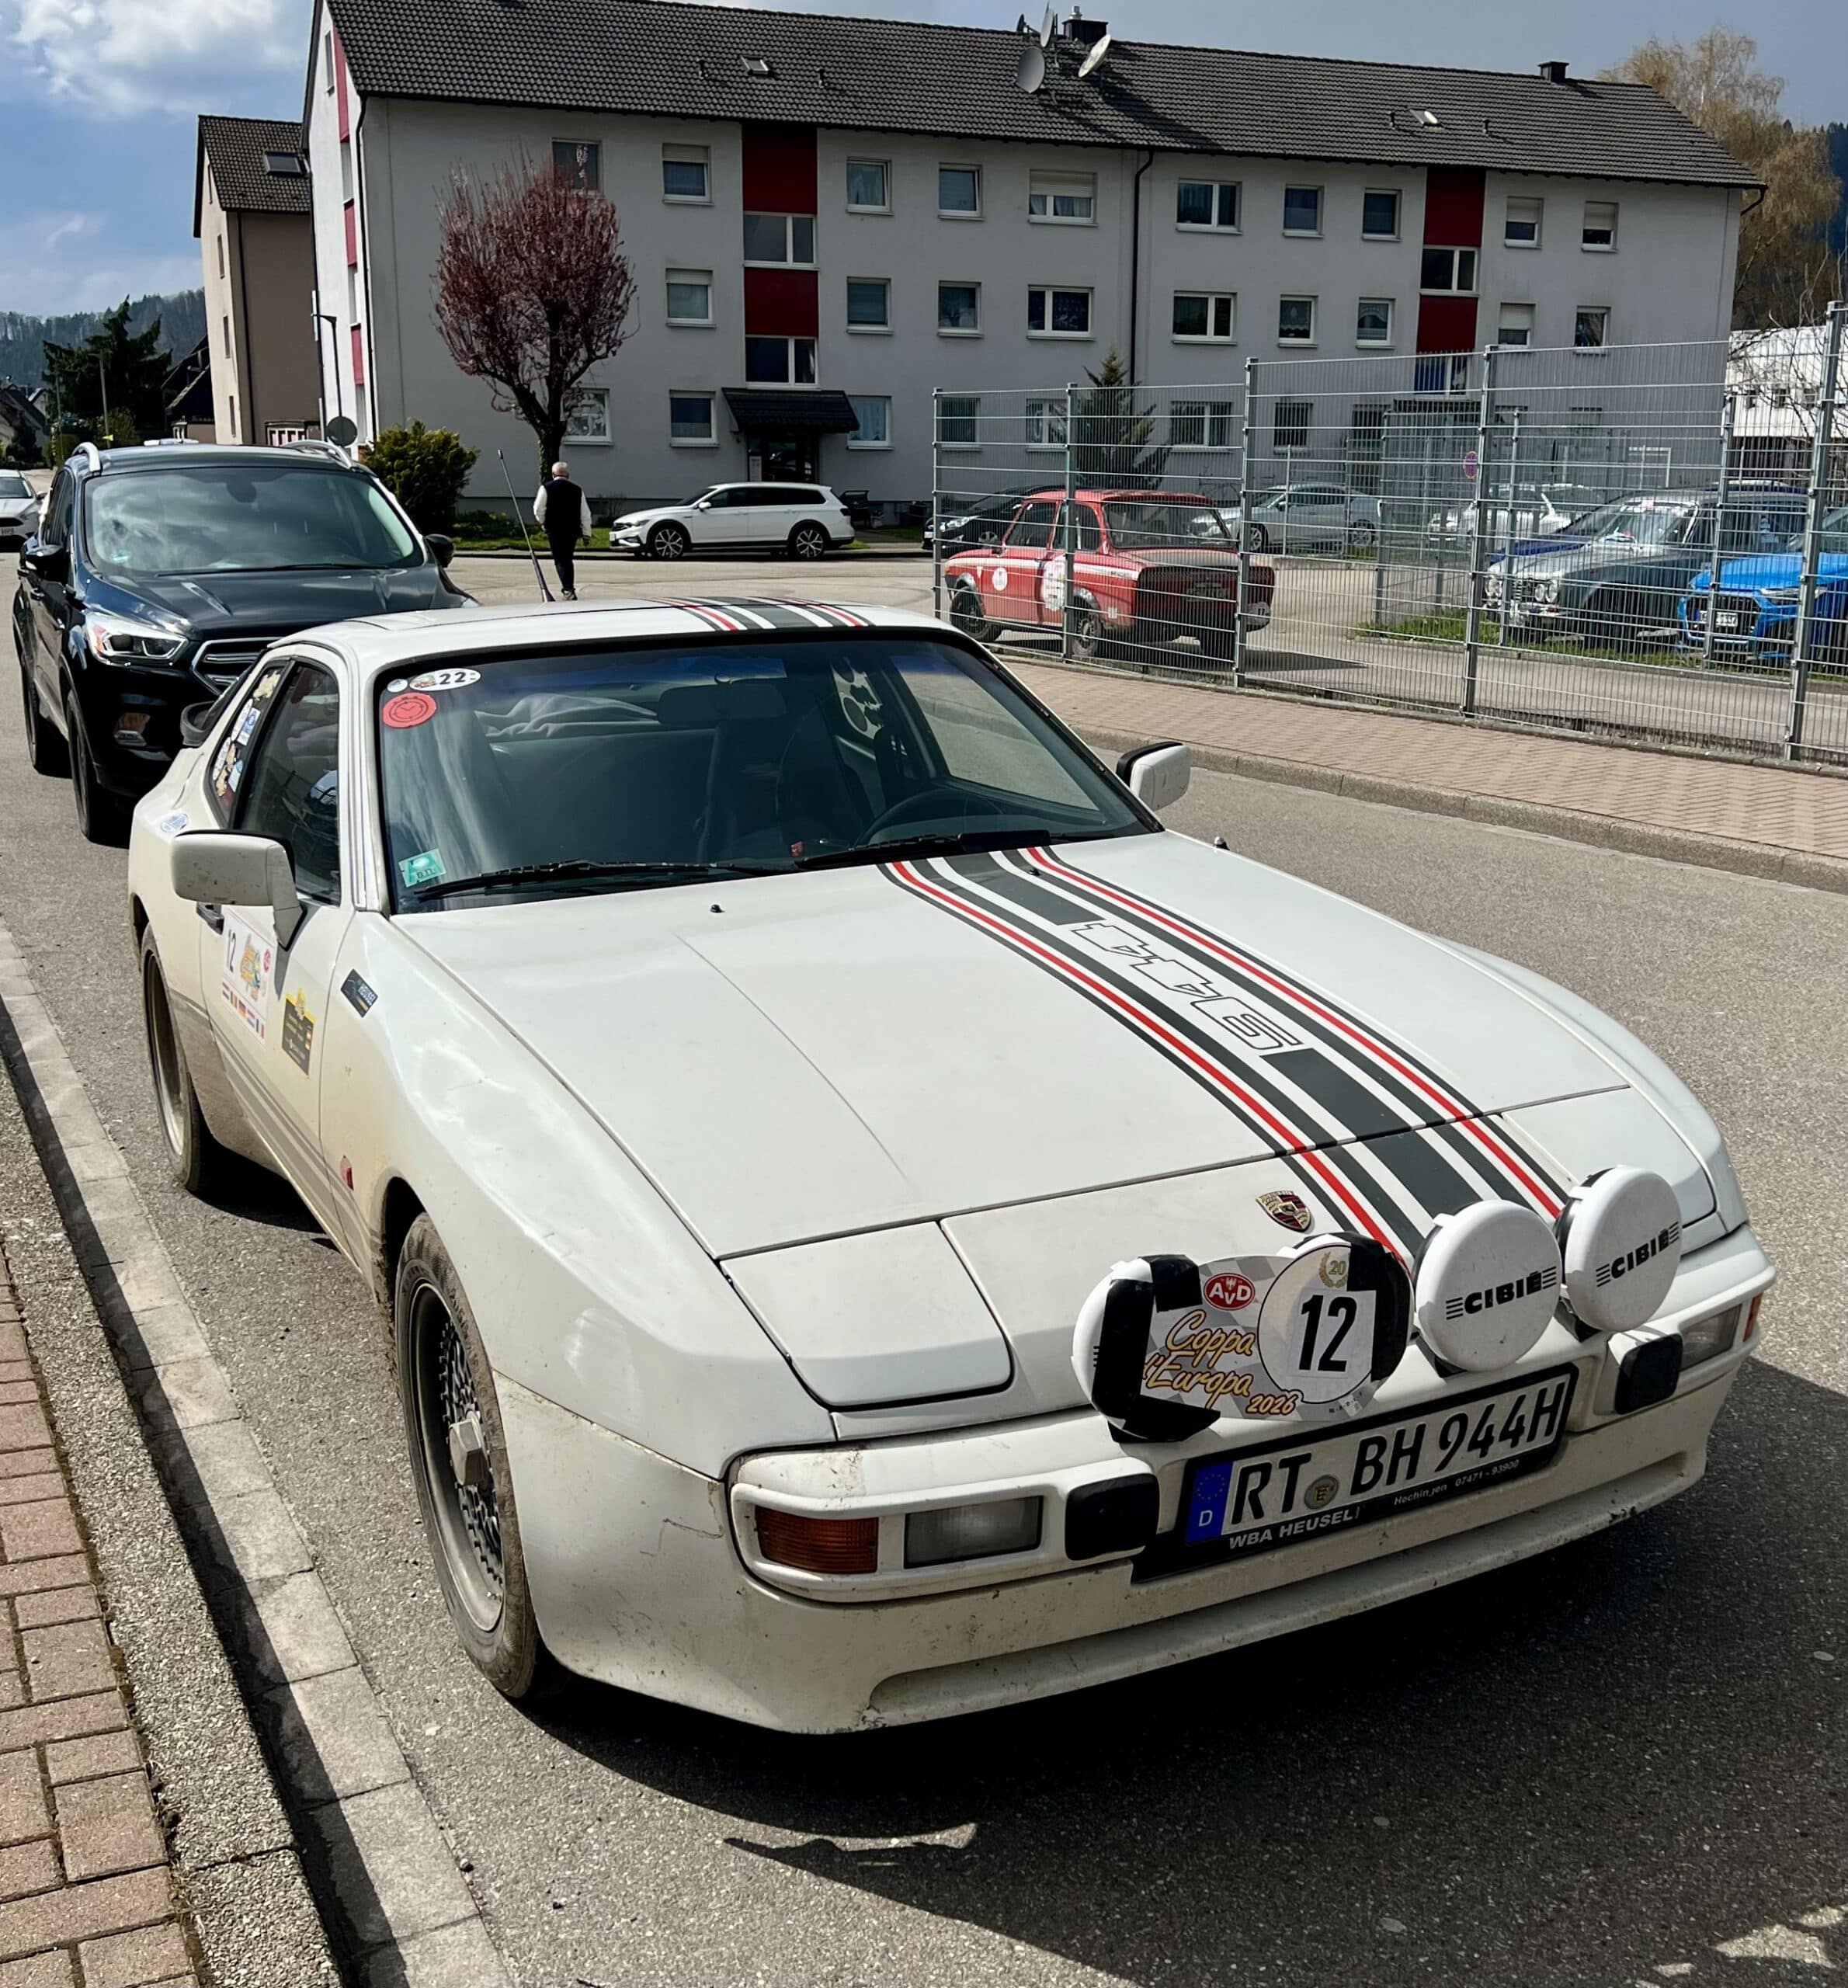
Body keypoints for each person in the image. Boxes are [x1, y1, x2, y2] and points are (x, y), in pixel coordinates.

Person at [533, 460, 591, 599]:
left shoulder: (546, 488)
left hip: (554, 529)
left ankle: (568, 589)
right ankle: (569, 587)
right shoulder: (577, 490)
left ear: (553, 474)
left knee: (560, 560)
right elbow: (585, 514)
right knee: (568, 559)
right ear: (568, 475)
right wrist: (586, 534)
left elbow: (538, 509)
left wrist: (543, 522)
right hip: (572, 530)